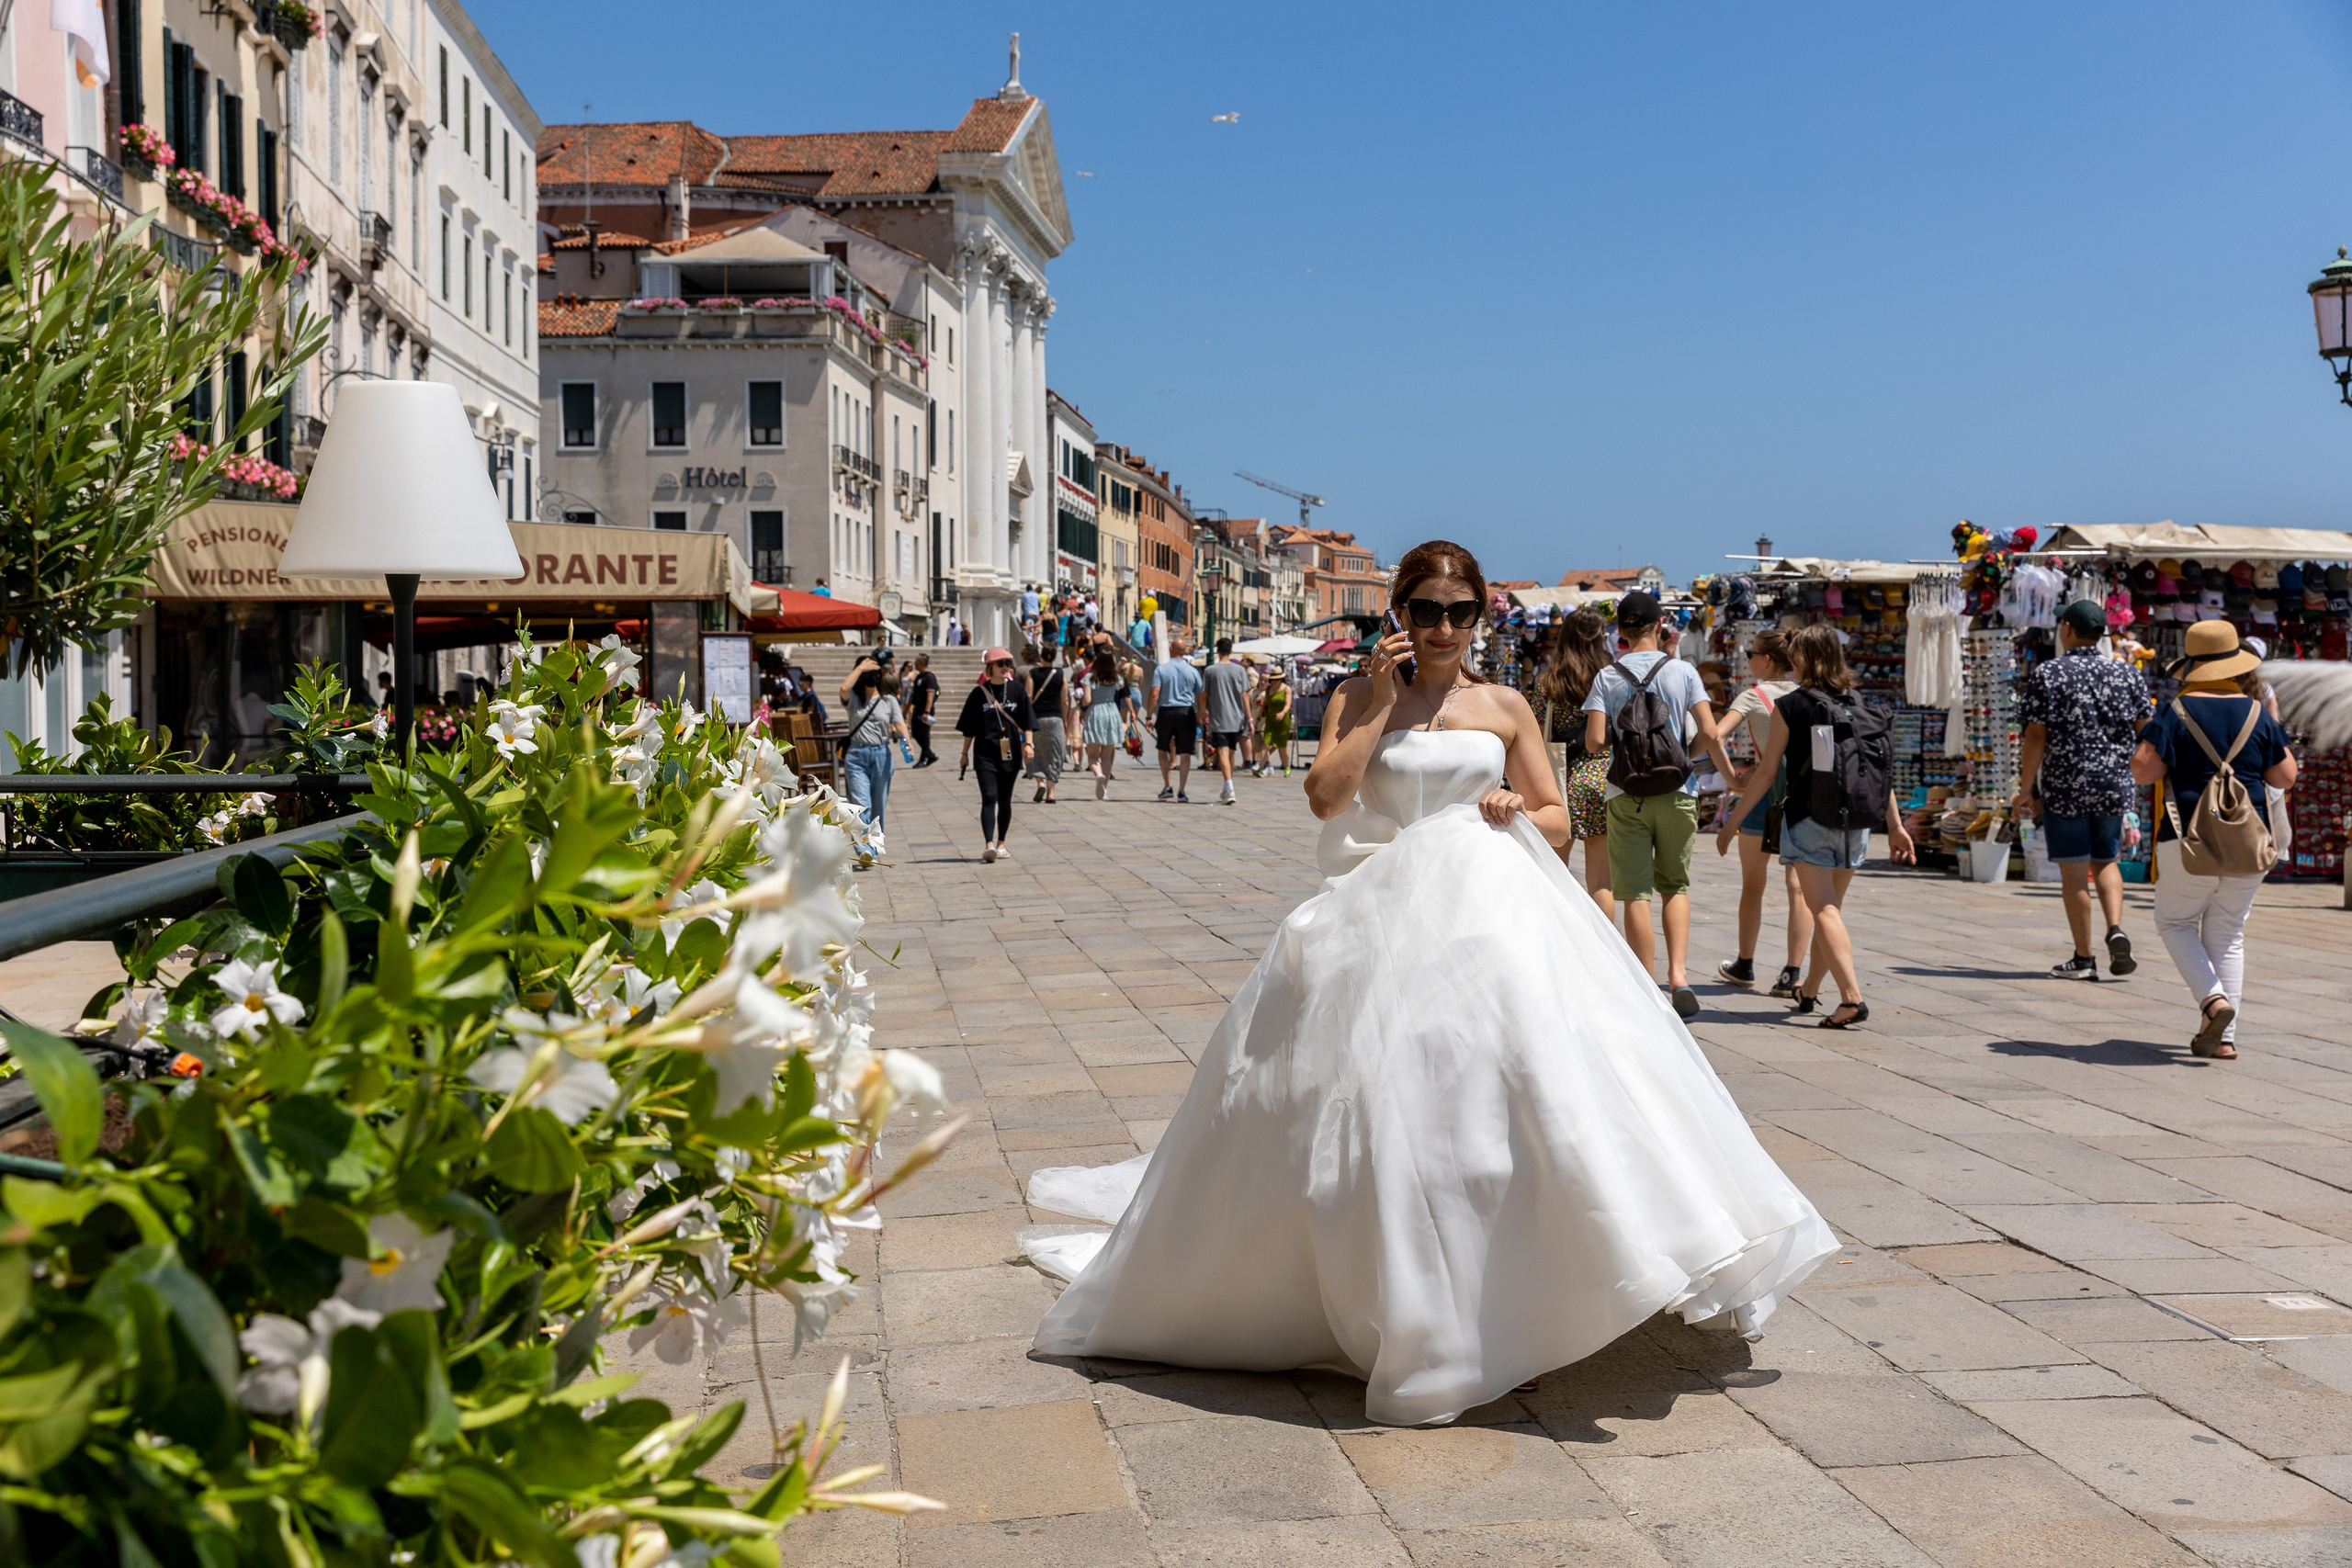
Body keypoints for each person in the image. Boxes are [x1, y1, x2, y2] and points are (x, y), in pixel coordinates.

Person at [1018, 539, 1837, 1427]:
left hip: (1485, 918)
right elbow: (1326, 796)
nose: (1444, 627)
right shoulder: (1356, 694)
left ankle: (1516, 1293)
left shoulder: (1505, 704)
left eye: (1460, 611)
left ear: (1478, 615)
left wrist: (1516, 808)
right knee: (1387, 1107)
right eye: (1427, 610)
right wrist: (1376, 703)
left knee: (1508, 1100)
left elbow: (1560, 818)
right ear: (1400, 613)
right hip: (1376, 915)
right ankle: (1421, 1303)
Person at [1715, 626, 1917, 1029]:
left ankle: (1852, 998)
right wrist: (1895, 826)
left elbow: (1767, 772)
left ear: (1802, 659)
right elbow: (1877, 770)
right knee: (1831, 911)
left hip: (1809, 818)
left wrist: (1732, 821)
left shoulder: (1792, 705)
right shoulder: (1857, 702)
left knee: (1822, 908)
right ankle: (1808, 990)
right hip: (1856, 822)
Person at [2132, 622, 2296, 1060]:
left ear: (2192, 665)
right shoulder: (2257, 712)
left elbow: (2143, 771)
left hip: (2187, 838)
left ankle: (2213, 1002)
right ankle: (2223, 1038)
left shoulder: (2175, 711)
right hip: (2249, 840)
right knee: (2228, 933)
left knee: (2176, 923)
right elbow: (2286, 776)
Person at [1581, 591, 1739, 1019]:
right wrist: (1682, 754)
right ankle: (1679, 977)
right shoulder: (1683, 671)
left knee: (1634, 893)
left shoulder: (1607, 676)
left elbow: (1594, 742)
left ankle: (1644, 984)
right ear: (1658, 626)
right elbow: (1710, 731)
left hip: (1626, 794)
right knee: (1675, 887)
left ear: (1621, 631)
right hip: (1677, 791)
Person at [2014, 600, 2151, 981]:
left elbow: (2036, 735)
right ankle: (2115, 927)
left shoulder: (2050, 673)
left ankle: (2084, 958)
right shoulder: (2127, 674)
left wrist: (2026, 790)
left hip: (2066, 785)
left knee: (2074, 872)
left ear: (2068, 629)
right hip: (2113, 784)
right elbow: (2146, 729)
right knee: (2106, 860)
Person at [1716, 630, 1810, 996]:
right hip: (1802, 798)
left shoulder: (1753, 696)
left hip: (1760, 796)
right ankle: (1791, 973)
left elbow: (1715, 735)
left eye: (1750, 654)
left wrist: (1731, 779)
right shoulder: (1805, 693)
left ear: (1766, 660)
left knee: (1753, 886)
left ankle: (1745, 964)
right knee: (1798, 888)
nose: (1749, 659)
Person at [1537, 608, 1618, 928]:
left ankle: (1563, 938)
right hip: (1603, 780)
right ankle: (1605, 946)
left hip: (1561, 782)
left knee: (1556, 872)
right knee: (1601, 881)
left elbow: (1535, 730)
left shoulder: (1549, 681)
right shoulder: (1611, 678)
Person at [956, 649, 1036, 863]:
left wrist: (1029, 745)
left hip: (1010, 753)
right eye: (1000, 663)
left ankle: (1001, 843)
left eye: (1007, 663)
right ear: (989, 667)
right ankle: (989, 844)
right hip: (984, 754)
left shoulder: (1017, 690)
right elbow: (969, 728)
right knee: (989, 797)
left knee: (1005, 799)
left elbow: (1027, 721)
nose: (1005, 667)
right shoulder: (978, 693)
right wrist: (964, 753)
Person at [839, 666, 910, 847]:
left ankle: (874, 846)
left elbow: (899, 723)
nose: (871, 678)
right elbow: (844, 688)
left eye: (874, 674)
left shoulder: (889, 700)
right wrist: (860, 668)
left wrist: (907, 740)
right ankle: (864, 850)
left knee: (878, 807)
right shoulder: (854, 699)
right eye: (867, 675)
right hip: (857, 756)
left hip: (881, 756)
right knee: (861, 804)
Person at [1149, 636, 1204, 802]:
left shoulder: (1161, 669)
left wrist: (1148, 715)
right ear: (1185, 651)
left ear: (1171, 649)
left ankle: (1168, 786)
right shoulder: (1193, 671)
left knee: (1162, 749)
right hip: (1186, 711)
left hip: (1166, 711)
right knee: (1185, 753)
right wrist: (1201, 714)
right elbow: (1200, 695)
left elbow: (1154, 694)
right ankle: (1182, 791)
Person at [1200, 637, 1252, 806]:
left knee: (1222, 751)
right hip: (1237, 718)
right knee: (1231, 751)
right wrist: (1250, 719)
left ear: (1217, 651)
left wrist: (1202, 711)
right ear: (1231, 651)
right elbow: (1245, 696)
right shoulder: (1240, 670)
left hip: (1219, 717)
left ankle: (1229, 786)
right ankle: (1228, 783)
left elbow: (1204, 695)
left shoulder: (1210, 671)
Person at [1025, 645, 1073, 804]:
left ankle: (1040, 783)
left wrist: (1027, 717)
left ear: (1041, 656)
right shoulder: (1060, 674)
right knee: (1055, 754)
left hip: (1036, 719)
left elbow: (1028, 696)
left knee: (1035, 751)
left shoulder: (1033, 673)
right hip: (1055, 718)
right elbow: (1065, 701)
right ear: (1054, 657)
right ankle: (1051, 793)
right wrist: (1064, 719)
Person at [1080, 651, 1126, 800]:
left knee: (1093, 755)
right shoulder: (1115, 677)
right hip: (1112, 712)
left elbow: (1087, 700)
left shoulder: (1090, 677)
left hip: (1096, 712)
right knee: (1107, 756)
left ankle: (1098, 774)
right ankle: (1104, 789)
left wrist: (1081, 702)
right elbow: (1122, 685)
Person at [905, 652, 942, 767]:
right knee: (916, 733)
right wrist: (905, 711)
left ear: (921, 663)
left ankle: (924, 758)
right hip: (917, 709)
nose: (915, 663)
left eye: (916, 661)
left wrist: (927, 712)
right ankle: (930, 754)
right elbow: (913, 695)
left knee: (924, 734)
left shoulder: (929, 677)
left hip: (925, 710)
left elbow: (930, 695)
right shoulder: (919, 677)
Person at [1261, 664, 1296, 776]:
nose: (1274, 682)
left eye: (1276, 680)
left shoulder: (1286, 689)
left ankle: (1287, 767)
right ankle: (1261, 767)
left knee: (1282, 746)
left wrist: (1283, 713)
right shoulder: (1268, 689)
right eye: (1272, 680)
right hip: (1270, 720)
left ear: (1281, 679)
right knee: (1266, 743)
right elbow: (1266, 703)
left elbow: (1288, 704)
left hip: (1283, 721)